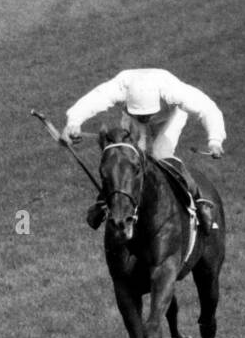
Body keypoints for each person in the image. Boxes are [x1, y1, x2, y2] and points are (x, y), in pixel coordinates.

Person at [61, 67, 225, 233]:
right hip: (133, 120)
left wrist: (215, 140)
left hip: (170, 118)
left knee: (162, 156)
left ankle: (200, 204)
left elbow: (208, 109)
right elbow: (93, 100)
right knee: (128, 161)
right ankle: (104, 204)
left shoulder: (171, 90)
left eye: (147, 114)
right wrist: (73, 123)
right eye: (142, 115)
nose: (145, 118)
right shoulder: (121, 87)